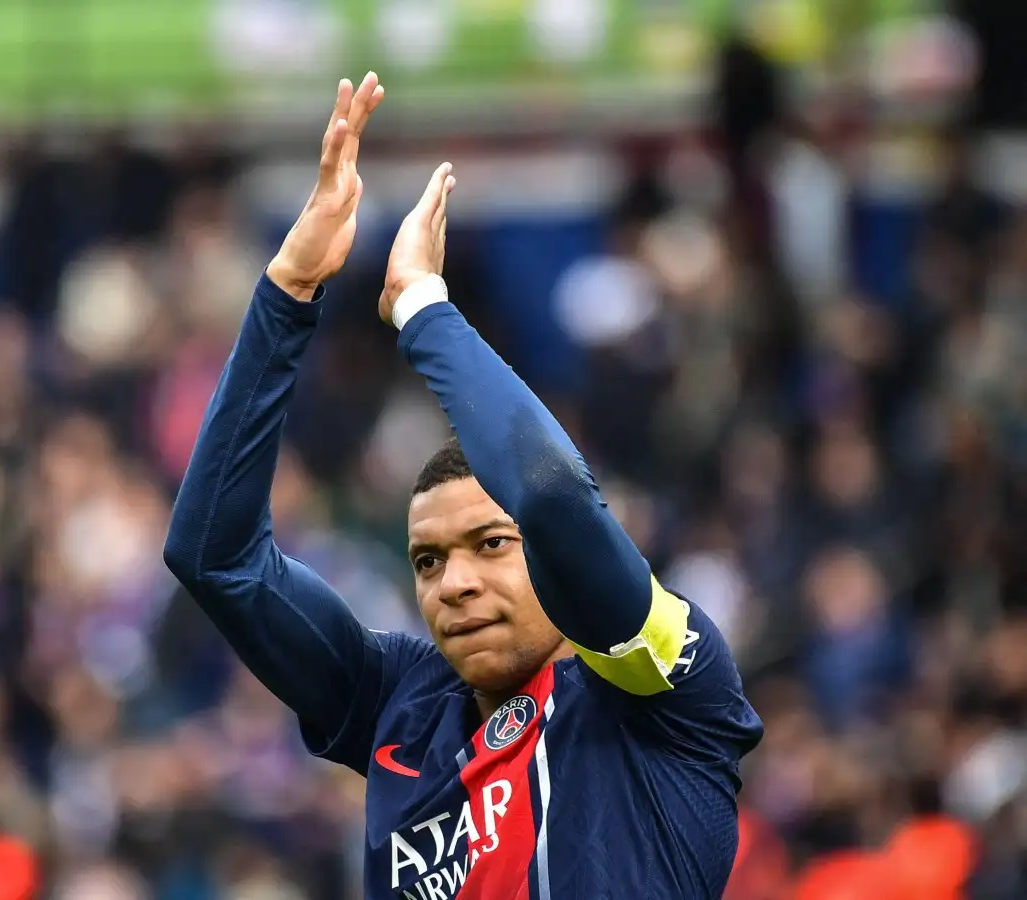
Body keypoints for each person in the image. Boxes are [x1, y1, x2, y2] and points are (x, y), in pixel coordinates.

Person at [163, 72, 764, 899]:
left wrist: (420, 307)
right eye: (427, 561)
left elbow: (552, 498)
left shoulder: (656, 684)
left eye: (490, 545)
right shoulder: (397, 703)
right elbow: (213, 557)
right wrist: (287, 294)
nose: (456, 584)